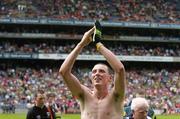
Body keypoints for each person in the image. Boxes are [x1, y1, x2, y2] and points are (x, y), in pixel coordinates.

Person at [59, 21, 126, 119]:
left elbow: (120, 69)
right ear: (91, 77)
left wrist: (98, 45)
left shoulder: (116, 97)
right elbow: (64, 72)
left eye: (102, 71)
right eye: (94, 71)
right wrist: (81, 44)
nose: (97, 74)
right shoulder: (83, 95)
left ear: (110, 78)